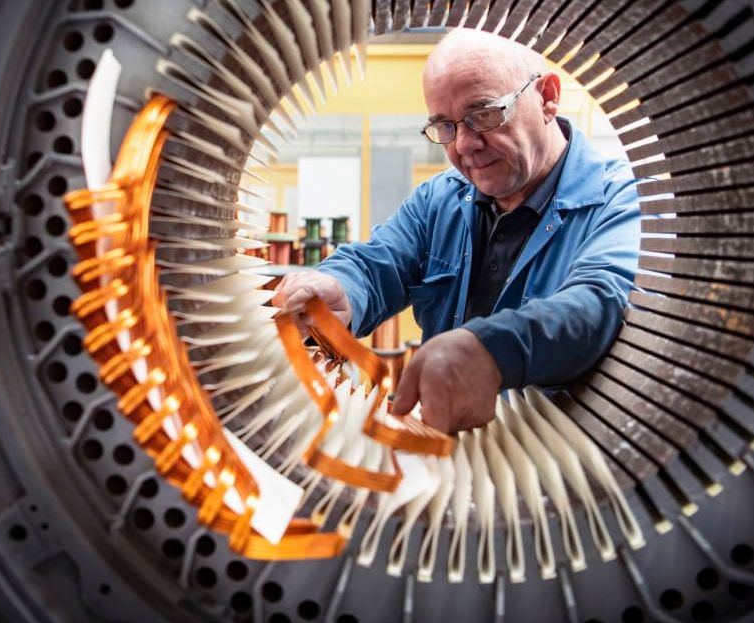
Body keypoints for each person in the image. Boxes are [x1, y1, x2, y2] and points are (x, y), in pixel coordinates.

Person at [272, 29, 640, 435]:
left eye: (483, 114)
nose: (465, 144)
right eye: (445, 126)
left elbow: (598, 300)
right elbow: (380, 262)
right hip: (444, 454)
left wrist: (494, 351)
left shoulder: (616, 200)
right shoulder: (441, 200)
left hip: (549, 459)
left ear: (547, 96)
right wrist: (341, 288)